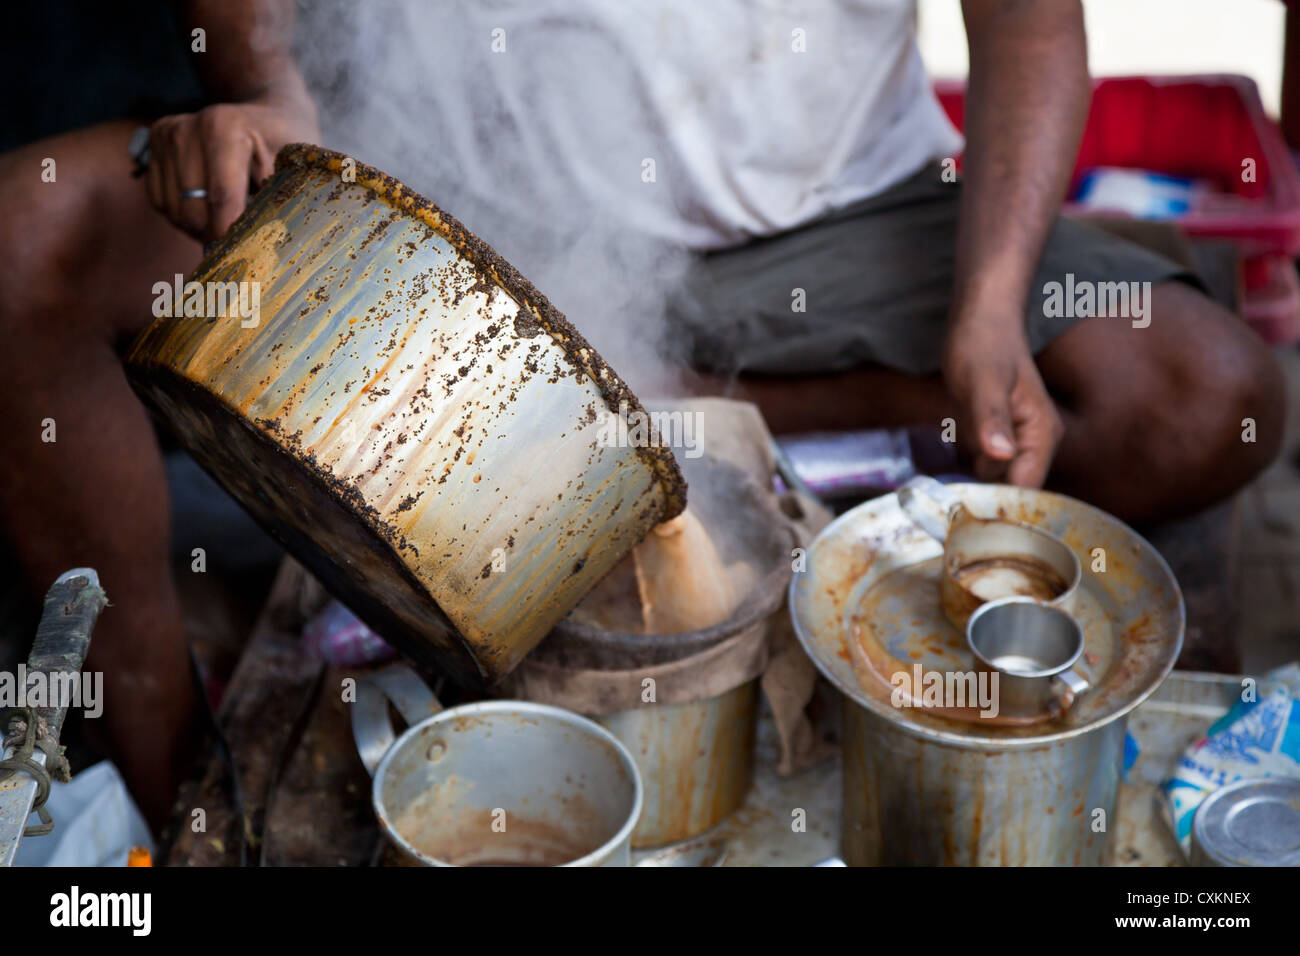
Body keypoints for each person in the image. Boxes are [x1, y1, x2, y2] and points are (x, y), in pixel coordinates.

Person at [0, 0, 1282, 826]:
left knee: (1203, 394)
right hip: (452, 216)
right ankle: (160, 797)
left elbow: (1027, 22)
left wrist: (993, 305)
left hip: (844, 221)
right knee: (28, 234)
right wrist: (266, 84)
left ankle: (654, 410)